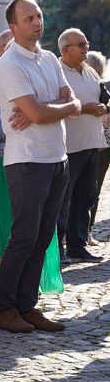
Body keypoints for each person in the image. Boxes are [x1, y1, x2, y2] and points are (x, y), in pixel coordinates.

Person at [0, 0, 79, 334]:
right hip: (26, 161)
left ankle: (27, 306)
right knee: (24, 238)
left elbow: (68, 102)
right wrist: (56, 107)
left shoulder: (49, 59)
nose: (37, 22)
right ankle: (4, 309)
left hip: (57, 158)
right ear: (13, 27)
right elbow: (40, 113)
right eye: (28, 18)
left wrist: (52, 107)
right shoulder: (10, 64)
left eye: (39, 15)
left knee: (44, 238)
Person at [0, 79, 64, 297]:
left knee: (40, 228)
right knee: (10, 225)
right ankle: (7, 291)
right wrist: (37, 116)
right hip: (5, 160)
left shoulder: (44, 85)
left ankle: (30, 287)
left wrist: (37, 115)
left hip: (41, 160)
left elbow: (68, 105)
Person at [56, 28, 106, 263]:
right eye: (81, 44)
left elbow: (101, 98)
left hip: (91, 144)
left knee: (85, 199)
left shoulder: (90, 72)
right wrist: (85, 108)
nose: (86, 48)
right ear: (66, 49)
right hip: (68, 147)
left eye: (86, 43)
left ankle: (78, 246)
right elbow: (57, 105)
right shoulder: (56, 71)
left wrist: (103, 107)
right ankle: (58, 249)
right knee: (62, 201)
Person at [86, 50, 110, 244]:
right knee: (79, 189)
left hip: (104, 146)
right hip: (84, 143)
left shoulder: (105, 88)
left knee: (95, 190)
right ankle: (72, 232)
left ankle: (87, 230)